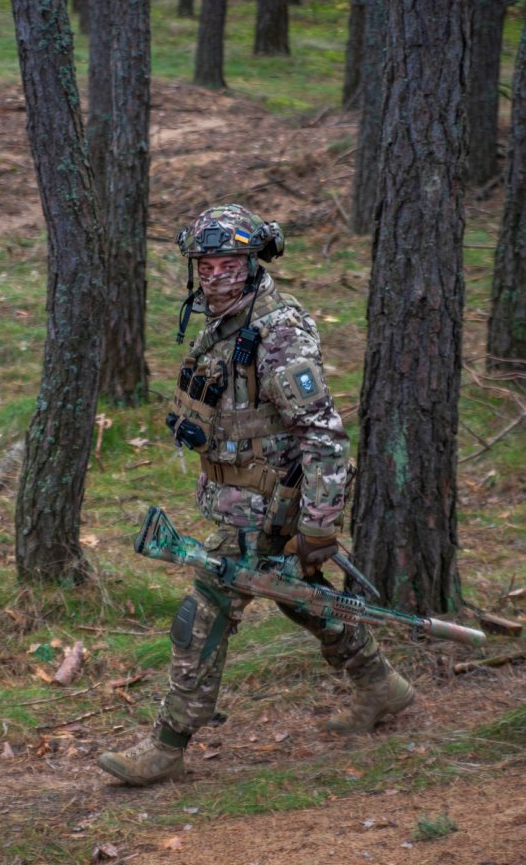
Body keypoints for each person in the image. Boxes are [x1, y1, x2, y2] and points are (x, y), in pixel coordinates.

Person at [98, 204, 415, 787]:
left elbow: (324, 435)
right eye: (205, 265)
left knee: (204, 614)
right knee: (298, 596)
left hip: (268, 511)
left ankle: (167, 746)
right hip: (239, 502)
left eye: (228, 263)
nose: (215, 275)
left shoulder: (278, 331)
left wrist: (318, 525)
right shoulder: (224, 321)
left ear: (253, 262)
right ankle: (380, 685)